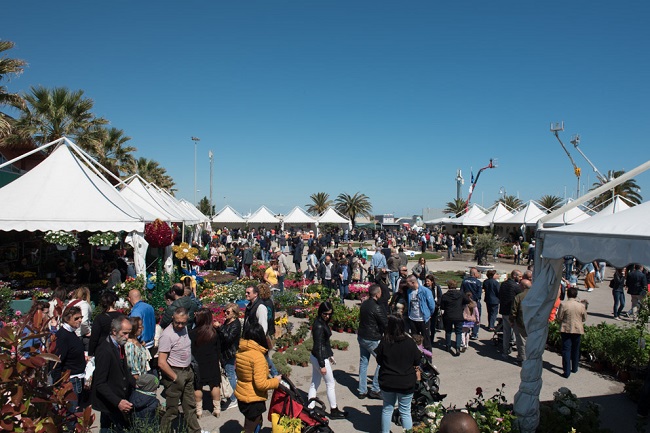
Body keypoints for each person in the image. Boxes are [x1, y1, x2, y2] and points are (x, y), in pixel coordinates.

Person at [158, 307, 202, 433]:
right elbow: (161, 362)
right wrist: (175, 377)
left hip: (187, 371)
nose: (180, 325)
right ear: (173, 318)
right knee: (172, 410)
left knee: (190, 406)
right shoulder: (167, 335)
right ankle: (164, 430)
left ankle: (195, 430)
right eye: (177, 322)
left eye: (183, 322)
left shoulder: (185, 328)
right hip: (175, 372)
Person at [376, 315, 421, 433]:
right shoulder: (410, 342)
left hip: (388, 381)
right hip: (406, 382)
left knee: (387, 409)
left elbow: (379, 360)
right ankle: (408, 431)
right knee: (405, 411)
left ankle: (385, 431)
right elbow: (417, 360)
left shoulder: (385, 341)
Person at [91, 316, 136, 433]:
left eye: (129, 333)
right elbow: (100, 383)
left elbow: (124, 370)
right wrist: (118, 402)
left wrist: (136, 384)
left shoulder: (118, 345)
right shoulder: (105, 350)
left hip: (117, 399)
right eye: (124, 333)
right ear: (114, 331)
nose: (127, 337)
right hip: (109, 403)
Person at [235, 323, 281, 433]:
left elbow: (245, 372)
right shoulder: (257, 356)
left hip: (242, 393)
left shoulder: (241, 351)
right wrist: (276, 381)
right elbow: (261, 384)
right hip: (253, 398)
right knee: (250, 427)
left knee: (255, 422)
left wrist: (264, 371)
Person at [308, 301, 348, 419]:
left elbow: (324, 343)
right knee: (330, 383)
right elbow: (319, 346)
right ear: (321, 312)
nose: (327, 316)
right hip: (320, 357)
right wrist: (322, 365)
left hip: (316, 356)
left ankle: (310, 408)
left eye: (329, 314)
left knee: (315, 383)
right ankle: (334, 410)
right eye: (325, 313)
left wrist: (330, 354)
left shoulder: (319, 323)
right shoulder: (320, 326)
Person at [51, 306, 86, 414]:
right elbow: (57, 361)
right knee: (70, 415)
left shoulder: (71, 333)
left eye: (81, 317)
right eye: (76, 318)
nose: (80, 320)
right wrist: (58, 385)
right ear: (67, 319)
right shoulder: (63, 336)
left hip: (76, 378)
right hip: (70, 381)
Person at [190, 308, 222, 418]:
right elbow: (219, 348)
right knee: (215, 384)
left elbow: (191, 350)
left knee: (198, 387)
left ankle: (198, 411)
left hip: (198, 363)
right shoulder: (214, 332)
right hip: (212, 361)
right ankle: (217, 409)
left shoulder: (192, 333)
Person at [357, 284, 387, 400]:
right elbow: (384, 323)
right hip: (372, 338)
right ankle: (375, 389)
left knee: (363, 362)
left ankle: (362, 390)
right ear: (377, 294)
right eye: (380, 292)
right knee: (382, 361)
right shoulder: (376, 307)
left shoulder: (364, 304)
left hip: (362, 336)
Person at [556, 286, 587, 378]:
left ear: (567, 294)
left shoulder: (564, 305)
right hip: (577, 329)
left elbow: (559, 317)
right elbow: (584, 318)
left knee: (566, 350)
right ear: (576, 295)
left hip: (566, 329)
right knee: (576, 349)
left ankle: (566, 371)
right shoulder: (581, 305)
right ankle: (575, 368)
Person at [217, 302, 241, 411]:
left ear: (234, 314)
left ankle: (234, 397)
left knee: (230, 374)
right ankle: (234, 395)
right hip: (225, 352)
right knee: (229, 373)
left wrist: (219, 328)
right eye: (224, 311)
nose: (225, 314)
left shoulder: (235, 324)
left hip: (230, 353)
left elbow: (228, 338)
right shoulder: (227, 322)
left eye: (227, 312)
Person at [405, 275, 436, 351]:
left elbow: (432, 306)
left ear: (413, 282)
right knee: (415, 340)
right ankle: (417, 358)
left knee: (426, 341)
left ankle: (428, 359)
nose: (407, 285)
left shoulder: (425, 291)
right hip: (413, 319)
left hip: (423, 320)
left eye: (407, 283)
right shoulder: (409, 291)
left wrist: (428, 314)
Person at [89, 291, 122, 357]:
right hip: (119, 348)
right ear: (114, 302)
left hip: (103, 349)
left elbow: (94, 338)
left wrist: (90, 353)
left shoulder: (99, 318)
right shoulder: (122, 317)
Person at [499, 270, 522, 359]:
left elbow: (499, 295)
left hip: (504, 311)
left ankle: (505, 352)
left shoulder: (503, 284)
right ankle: (520, 354)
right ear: (514, 276)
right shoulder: (516, 286)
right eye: (519, 276)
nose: (520, 278)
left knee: (506, 332)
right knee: (517, 333)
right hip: (513, 313)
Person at [440, 280, 465, 356]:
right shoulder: (461, 294)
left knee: (448, 331)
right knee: (458, 332)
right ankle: (457, 347)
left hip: (448, 315)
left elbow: (442, 306)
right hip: (458, 315)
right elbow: (467, 300)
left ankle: (448, 346)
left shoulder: (445, 295)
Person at [510, 278, 532, 364]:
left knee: (522, 341)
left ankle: (523, 358)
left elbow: (514, 310)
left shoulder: (519, 296)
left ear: (523, 286)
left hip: (521, 322)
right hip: (533, 322)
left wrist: (511, 320)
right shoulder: (536, 296)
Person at [461, 268, 482, 340]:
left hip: (465, 302)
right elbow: (479, 295)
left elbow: (461, 291)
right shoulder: (478, 282)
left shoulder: (464, 281)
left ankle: (466, 331)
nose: (478, 274)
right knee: (476, 316)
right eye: (477, 273)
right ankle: (474, 333)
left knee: (466, 316)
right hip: (474, 302)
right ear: (474, 274)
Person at [423, 274, 443, 338]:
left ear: (432, 281)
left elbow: (440, 296)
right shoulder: (423, 287)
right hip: (426, 308)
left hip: (434, 308)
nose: (427, 282)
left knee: (433, 324)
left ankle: (431, 338)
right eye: (426, 281)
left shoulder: (436, 287)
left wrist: (437, 304)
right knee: (426, 324)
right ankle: (426, 337)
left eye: (428, 281)